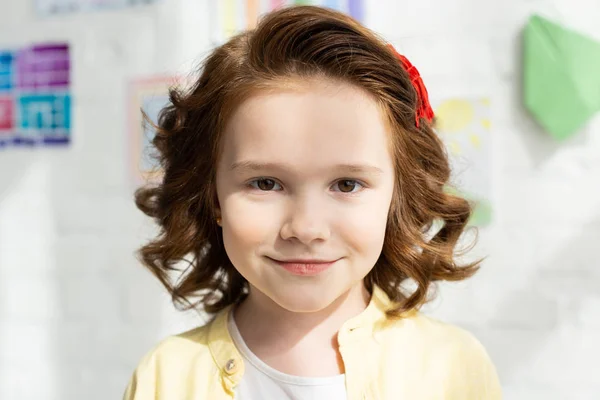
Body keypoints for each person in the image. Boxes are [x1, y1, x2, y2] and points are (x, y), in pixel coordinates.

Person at [124, 5, 501, 400]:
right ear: (213, 195)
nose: (306, 228)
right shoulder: (164, 377)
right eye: (265, 183)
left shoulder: (452, 366)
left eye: (347, 184)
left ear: (397, 195)